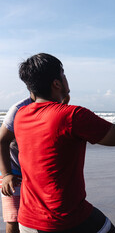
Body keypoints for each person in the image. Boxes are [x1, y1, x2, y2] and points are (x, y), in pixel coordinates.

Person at [12, 53, 115, 232]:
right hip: (63, 219)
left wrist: (61, 104)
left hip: (27, 220)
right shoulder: (72, 116)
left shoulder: (21, 115)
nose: (66, 78)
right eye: (63, 74)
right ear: (56, 83)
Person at [0, 94, 70, 233]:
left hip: (37, 174)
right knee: (14, 220)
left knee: (41, 220)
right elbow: (2, 140)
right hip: (14, 172)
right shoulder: (19, 109)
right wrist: (6, 174)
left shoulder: (56, 106)